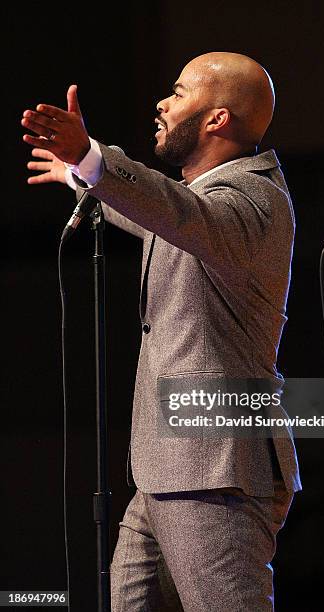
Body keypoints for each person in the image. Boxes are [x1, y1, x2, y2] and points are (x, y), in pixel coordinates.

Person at [22, 52, 301, 611]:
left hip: (213, 469)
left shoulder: (252, 201)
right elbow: (164, 215)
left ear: (216, 119)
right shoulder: (204, 204)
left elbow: (177, 214)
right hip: (169, 467)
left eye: (176, 93)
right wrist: (86, 173)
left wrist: (94, 160)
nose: (161, 103)